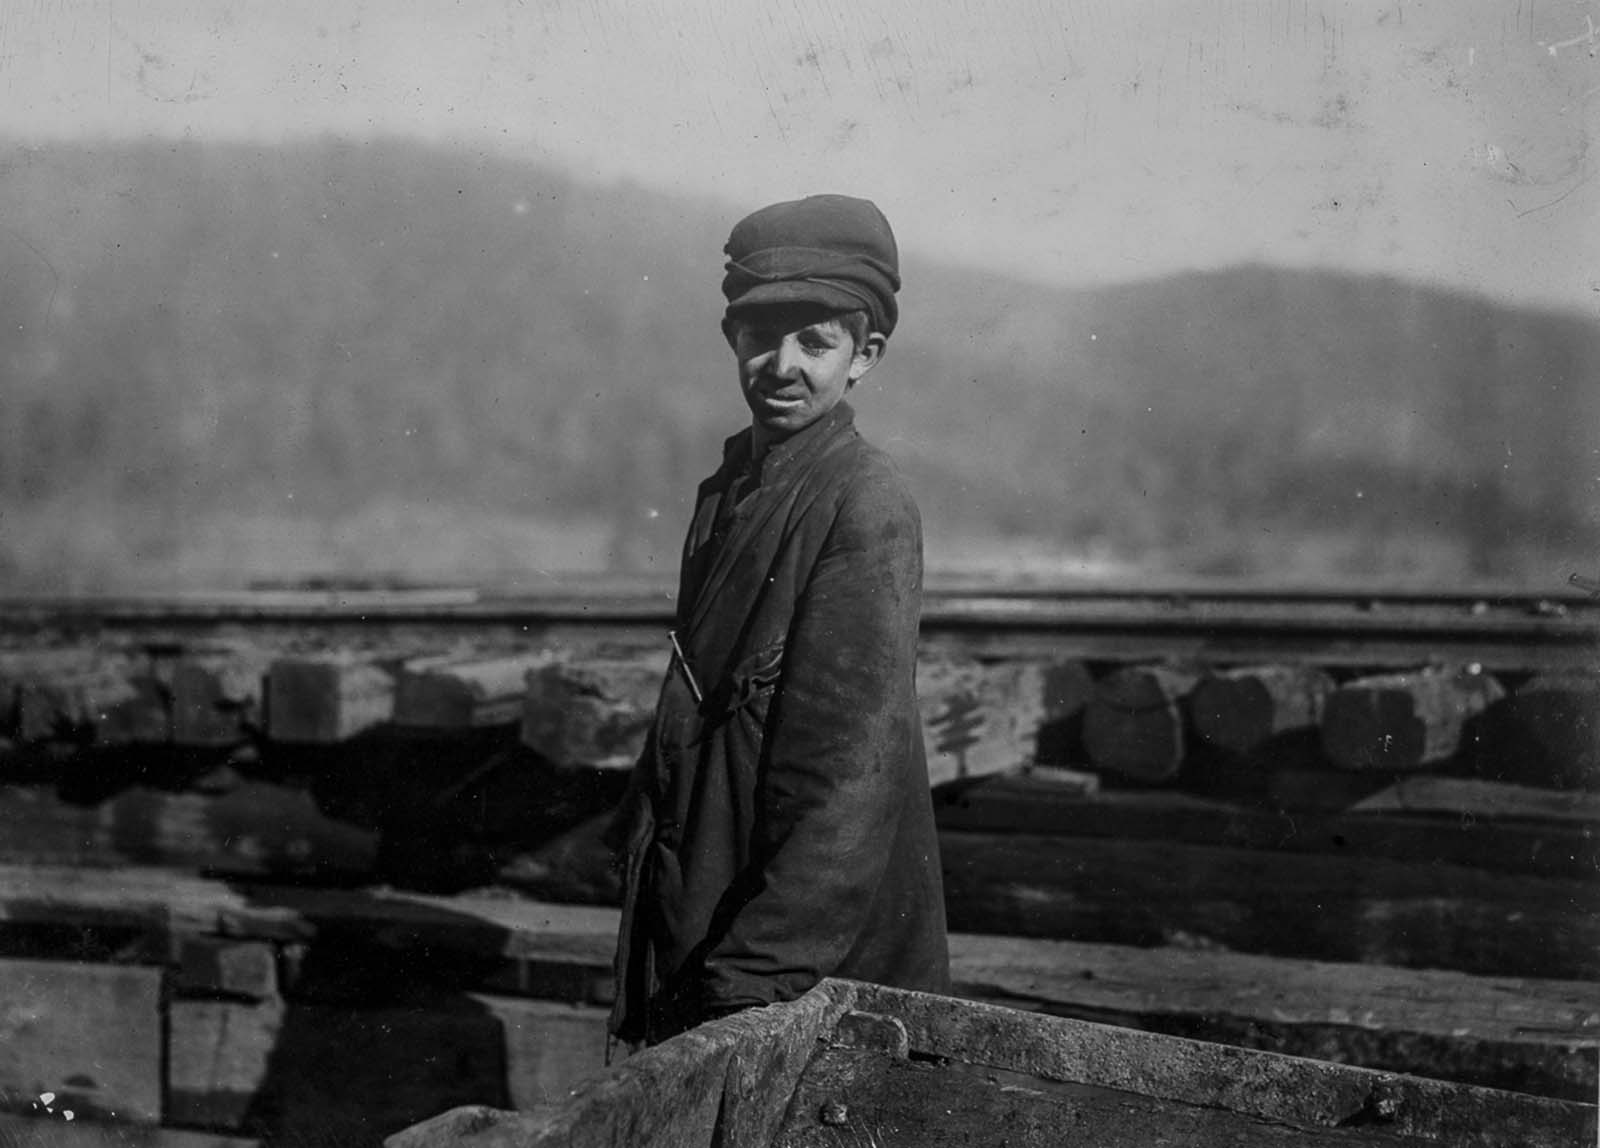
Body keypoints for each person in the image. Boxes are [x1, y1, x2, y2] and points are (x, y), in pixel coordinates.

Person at [606, 193, 950, 1048]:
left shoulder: (863, 503)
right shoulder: (731, 490)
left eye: (816, 341)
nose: (782, 364)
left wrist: (746, 986)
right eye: (761, 337)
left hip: (800, 965)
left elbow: (846, 781)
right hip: (717, 919)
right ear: (733, 339)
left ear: (865, 355)